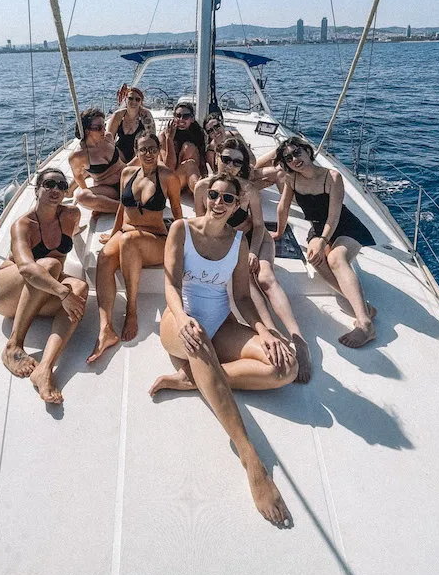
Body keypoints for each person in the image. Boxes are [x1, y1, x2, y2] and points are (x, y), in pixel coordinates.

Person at [150, 174, 298, 525]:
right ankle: (251, 459)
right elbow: (170, 283)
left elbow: (244, 297)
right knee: (197, 336)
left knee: (285, 368)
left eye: (227, 199)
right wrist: (183, 317)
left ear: (238, 205)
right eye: (214, 195)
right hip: (181, 320)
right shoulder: (182, 230)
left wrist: (265, 332)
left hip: (221, 324)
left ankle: (195, 379)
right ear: (206, 196)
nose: (218, 203)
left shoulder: (239, 242)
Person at [195, 139, 312, 382]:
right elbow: (202, 223)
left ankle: (299, 340)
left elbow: (258, 226)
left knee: (266, 277)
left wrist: (252, 251)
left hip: (255, 239)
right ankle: (273, 334)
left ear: (242, 166)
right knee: (247, 279)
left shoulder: (248, 190)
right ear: (216, 157)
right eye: (226, 159)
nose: (230, 166)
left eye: (237, 162)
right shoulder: (203, 187)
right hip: (229, 242)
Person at [0, 167, 88, 405]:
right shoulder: (23, 225)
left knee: (81, 288)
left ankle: (45, 369)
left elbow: (72, 235)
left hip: (41, 291)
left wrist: (69, 290)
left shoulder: (71, 215)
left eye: (62, 186)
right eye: (49, 184)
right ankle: (13, 345)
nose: (56, 190)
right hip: (5, 292)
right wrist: (62, 291)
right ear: (37, 189)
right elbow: (25, 267)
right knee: (51, 266)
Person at [273, 136, 377, 348]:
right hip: (319, 228)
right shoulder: (291, 179)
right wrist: (279, 232)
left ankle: (365, 324)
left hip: (346, 227)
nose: (294, 159)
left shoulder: (332, 177)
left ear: (307, 151)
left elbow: (334, 216)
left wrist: (322, 240)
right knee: (316, 260)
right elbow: (283, 207)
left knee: (336, 258)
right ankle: (362, 307)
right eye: (288, 157)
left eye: (297, 152)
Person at [88, 131, 182, 362]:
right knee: (104, 257)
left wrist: (181, 249)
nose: (148, 153)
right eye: (143, 149)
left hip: (156, 239)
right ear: (136, 152)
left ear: (159, 150)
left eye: (152, 148)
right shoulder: (127, 173)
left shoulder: (168, 177)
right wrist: (112, 235)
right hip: (126, 234)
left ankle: (131, 311)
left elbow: (178, 215)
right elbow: (122, 209)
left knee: (129, 241)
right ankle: (105, 328)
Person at [69, 107, 126, 214]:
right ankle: (124, 209)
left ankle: (111, 207)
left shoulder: (108, 138)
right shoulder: (79, 155)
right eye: (99, 127)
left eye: (104, 126)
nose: (104, 130)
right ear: (87, 130)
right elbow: (78, 176)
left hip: (126, 179)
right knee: (82, 197)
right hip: (108, 189)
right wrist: (87, 191)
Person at [159, 99, 207, 193]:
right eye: (178, 116)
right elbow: (169, 168)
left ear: (192, 119)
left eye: (185, 116)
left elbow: (202, 162)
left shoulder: (198, 134)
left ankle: (197, 188)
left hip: (187, 178)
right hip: (169, 180)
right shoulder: (164, 136)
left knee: (189, 148)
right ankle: (200, 193)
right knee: (189, 159)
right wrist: (169, 139)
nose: (181, 119)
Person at [108, 84, 156, 163]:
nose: (134, 101)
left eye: (137, 99)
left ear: (141, 102)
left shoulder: (146, 115)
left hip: (140, 153)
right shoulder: (118, 115)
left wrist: (135, 159)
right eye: (130, 98)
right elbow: (109, 139)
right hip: (119, 153)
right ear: (125, 99)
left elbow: (151, 139)